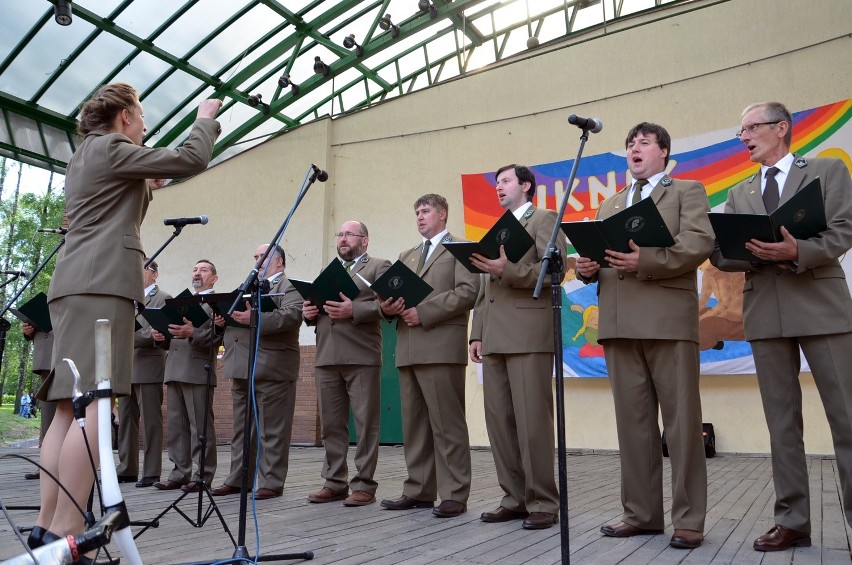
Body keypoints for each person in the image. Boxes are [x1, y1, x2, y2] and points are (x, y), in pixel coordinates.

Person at [29, 83, 221, 554]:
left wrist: (145, 183)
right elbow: (191, 159)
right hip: (102, 284)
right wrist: (206, 117)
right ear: (122, 117)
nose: (144, 124)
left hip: (75, 282)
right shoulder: (114, 147)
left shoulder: (86, 154)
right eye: (140, 115)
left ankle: (46, 524)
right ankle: (69, 531)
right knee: (94, 405)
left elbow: (111, 203)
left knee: (63, 407)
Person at [710, 101, 852, 552]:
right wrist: (736, 251)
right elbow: (722, 254)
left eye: (751, 128)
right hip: (766, 313)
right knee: (781, 422)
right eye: (740, 131)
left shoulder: (826, 171)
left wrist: (797, 251)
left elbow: (844, 230)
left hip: (822, 307)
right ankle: (792, 520)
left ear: (781, 128)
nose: (744, 137)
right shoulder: (740, 192)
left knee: (846, 417)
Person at [576, 123, 714, 549]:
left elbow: (699, 242)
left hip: (667, 321)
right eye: (629, 144)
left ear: (664, 152)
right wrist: (588, 268)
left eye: (643, 143)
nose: (634, 149)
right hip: (618, 325)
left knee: (682, 424)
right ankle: (641, 513)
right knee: (633, 425)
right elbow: (604, 260)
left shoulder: (686, 191)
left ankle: (689, 519)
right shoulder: (610, 203)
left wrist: (646, 260)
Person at [467, 164, 566, 530]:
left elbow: (554, 270)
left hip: (528, 333)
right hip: (494, 336)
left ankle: (544, 501)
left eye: (505, 181)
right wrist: (477, 332)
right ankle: (514, 497)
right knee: (500, 423)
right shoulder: (498, 229)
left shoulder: (544, 218)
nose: (499, 187)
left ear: (526, 185)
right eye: (496, 183)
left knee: (532, 423)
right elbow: (483, 289)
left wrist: (506, 270)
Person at [379, 194, 479, 518]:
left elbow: (468, 292)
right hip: (407, 348)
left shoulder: (459, 250)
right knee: (415, 426)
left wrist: (423, 312)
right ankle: (419, 490)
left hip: (440, 346)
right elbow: (393, 297)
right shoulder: (406, 255)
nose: (420, 217)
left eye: (425, 211)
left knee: (446, 425)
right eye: (416, 212)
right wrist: (387, 307)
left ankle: (453, 494)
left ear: (443, 214)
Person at [303, 220, 391, 507]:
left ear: (364, 241)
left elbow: (389, 306)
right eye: (339, 234)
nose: (342, 239)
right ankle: (334, 482)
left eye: (349, 235)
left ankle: (364, 484)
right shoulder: (327, 272)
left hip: (361, 355)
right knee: (331, 425)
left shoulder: (379, 267)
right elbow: (316, 310)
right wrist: (308, 311)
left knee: (365, 425)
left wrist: (355, 309)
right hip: (326, 356)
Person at [210, 244, 303, 500]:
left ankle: (271, 482)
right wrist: (224, 318)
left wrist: (254, 317)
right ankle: (238, 479)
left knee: (272, 429)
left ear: (280, 262)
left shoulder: (289, 287)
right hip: (242, 366)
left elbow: (291, 316)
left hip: (273, 368)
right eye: (255, 256)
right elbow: (239, 317)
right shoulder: (248, 286)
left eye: (263, 256)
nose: (258, 260)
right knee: (242, 428)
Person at [152, 259, 223, 492]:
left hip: (197, 370)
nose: (197, 273)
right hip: (174, 369)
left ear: (214, 278)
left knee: (200, 429)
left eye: (203, 270)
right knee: (176, 427)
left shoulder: (217, 304)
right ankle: (179, 472)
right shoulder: (183, 303)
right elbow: (172, 334)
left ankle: (203, 475)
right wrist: (161, 334)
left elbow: (217, 338)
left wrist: (194, 332)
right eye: (194, 269)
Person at [116, 256, 172, 488]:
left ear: (154, 273)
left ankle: (151, 471)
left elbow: (157, 332)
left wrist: (132, 337)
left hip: (149, 366)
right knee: (127, 420)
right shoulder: (128, 299)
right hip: (126, 366)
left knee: (150, 420)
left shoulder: (163, 298)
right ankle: (127, 468)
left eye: (143, 269)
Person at [22, 324, 56, 479]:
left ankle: (70, 466)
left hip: (72, 351)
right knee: (47, 416)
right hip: (47, 359)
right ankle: (47, 467)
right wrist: (29, 331)